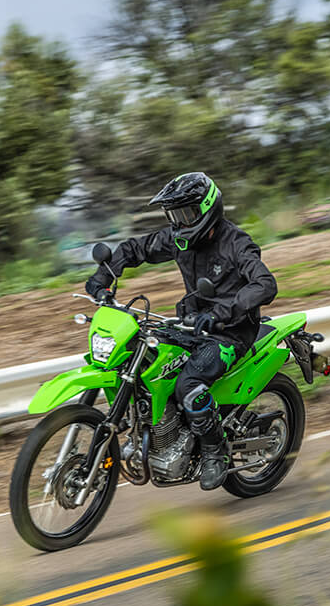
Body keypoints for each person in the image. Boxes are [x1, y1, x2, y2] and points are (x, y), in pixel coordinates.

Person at [85, 172, 278, 490]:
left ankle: (216, 453)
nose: (179, 222)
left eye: (185, 214)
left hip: (229, 333)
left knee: (188, 384)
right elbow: (138, 248)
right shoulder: (179, 239)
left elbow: (265, 285)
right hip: (190, 326)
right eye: (174, 215)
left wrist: (221, 311)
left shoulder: (236, 243)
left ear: (206, 209)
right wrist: (105, 274)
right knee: (139, 358)